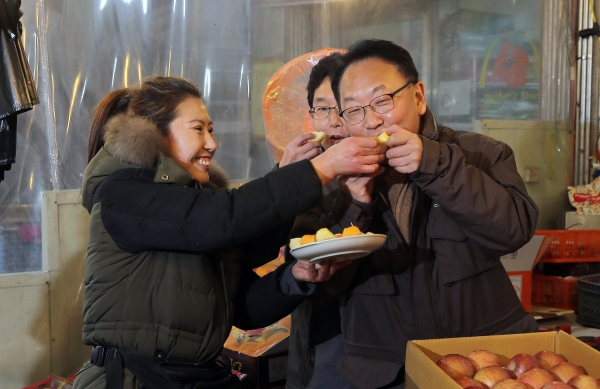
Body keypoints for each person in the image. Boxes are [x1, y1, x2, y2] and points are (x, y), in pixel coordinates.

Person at [73, 75, 386, 389]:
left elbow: (244, 309)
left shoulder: (196, 210)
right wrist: (322, 168)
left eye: (211, 129)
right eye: (198, 129)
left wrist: (295, 278)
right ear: (156, 133)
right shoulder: (124, 195)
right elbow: (227, 218)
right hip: (134, 380)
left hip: (194, 377)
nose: (212, 143)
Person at [321, 39, 540, 389]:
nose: (372, 120)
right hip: (387, 375)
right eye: (354, 110)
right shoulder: (333, 180)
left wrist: (434, 166)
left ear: (419, 96)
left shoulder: (479, 154)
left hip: (486, 366)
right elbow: (320, 286)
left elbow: (515, 230)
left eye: (382, 100)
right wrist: (356, 205)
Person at [279, 53, 373, 389]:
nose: (334, 122)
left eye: (343, 108)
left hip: (382, 345)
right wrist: (283, 181)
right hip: (322, 345)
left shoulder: (394, 169)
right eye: (322, 109)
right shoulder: (305, 179)